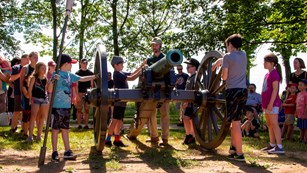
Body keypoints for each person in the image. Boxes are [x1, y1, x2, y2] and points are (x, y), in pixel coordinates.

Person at [47, 54, 97, 162]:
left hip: (66, 106)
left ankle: (67, 151)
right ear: (65, 64)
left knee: (65, 128)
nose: (72, 66)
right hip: (57, 106)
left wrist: (95, 76)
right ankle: (54, 152)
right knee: (55, 129)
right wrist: (52, 80)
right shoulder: (57, 74)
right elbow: (49, 89)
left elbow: (82, 79)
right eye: (71, 64)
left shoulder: (70, 75)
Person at [212, 34, 247, 161]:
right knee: (235, 120)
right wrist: (219, 61)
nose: (226, 48)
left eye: (227, 45)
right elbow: (231, 58)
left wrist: (221, 68)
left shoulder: (227, 57)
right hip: (243, 91)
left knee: (236, 123)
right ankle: (233, 148)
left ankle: (240, 153)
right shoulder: (243, 54)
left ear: (230, 45)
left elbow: (224, 77)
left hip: (232, 91)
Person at [105, 56, 146, 147]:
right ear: (115, 65)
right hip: (119, 100)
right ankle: (107, 139)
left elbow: (132, 73)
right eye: (121, 64)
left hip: (123, 100)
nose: (123, 65)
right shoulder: (117, 74)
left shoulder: (121, 72)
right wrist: (141, 70)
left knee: (119, 120)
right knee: (115, 120)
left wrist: (141, 66)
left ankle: (116, 140)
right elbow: (131, 78)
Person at [145, 37, 171, 146]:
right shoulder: (149, 59)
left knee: (164, 114)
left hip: (164, 88)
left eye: (156, 45)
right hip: (152, 88)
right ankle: (154, 136)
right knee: (151, 114)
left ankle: (165, 139)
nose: (154, 47)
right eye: (153, 45)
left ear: (160, 46)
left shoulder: (165, 58)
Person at [260, 53, 284, 154]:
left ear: (272, 63)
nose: (264, 63)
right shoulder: (267, 74)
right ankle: (272, 144)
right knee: (269, 124)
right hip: (266, 104)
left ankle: (279, 146)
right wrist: (264, 104)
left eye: (266, 62)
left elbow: (275, 90)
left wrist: (270, 103)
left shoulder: (274, 74)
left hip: (273, 104)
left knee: (274, 124)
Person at [27, 62, 49, 141]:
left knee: (41, 117)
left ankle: (39, 135)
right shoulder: (34, 78)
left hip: (43, 99)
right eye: (42, 68)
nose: (44, 69)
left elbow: (46, 90)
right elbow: (29, 90)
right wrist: (30, 99)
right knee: (33, 116)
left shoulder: (46, 79)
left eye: (45, 68)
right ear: (38, 69)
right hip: (35, 99)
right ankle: (30, 136)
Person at [10, 54, 29, 133]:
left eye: (29, 59)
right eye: (27, 59)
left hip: (27, 93)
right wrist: (21, 73)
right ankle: (13, 128)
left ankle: (23, 128)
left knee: (25, 111)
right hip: (18, 91)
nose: (28, 61)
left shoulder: (29, 68)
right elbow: (12, 78)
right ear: (22, 59)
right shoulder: (16, 67)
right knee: (17, 110)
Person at [182, 58, 199, 145]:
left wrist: (187, 102)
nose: (187, 67)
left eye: (189, 66)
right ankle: (191, 136)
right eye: (187, 66)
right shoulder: (190, 77)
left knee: (186, 118)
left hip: (192, 103)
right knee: (189, 119)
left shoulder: (195, 77)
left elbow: (193, 90)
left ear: (195, 67)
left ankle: (189, 135)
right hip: (189, 102)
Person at [75, 58, 94, 129]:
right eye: (83, 63)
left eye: (86, 63)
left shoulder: (90, 73)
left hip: (88, 93)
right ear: (80, 63)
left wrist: (91, 94)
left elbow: (92, 85)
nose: (85, 64)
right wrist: (77, 95)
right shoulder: (77, 73)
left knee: (87, 110)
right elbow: (76, 85)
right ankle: (79, 125)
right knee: (79, 109)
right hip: (80, 92)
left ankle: (86, 125)